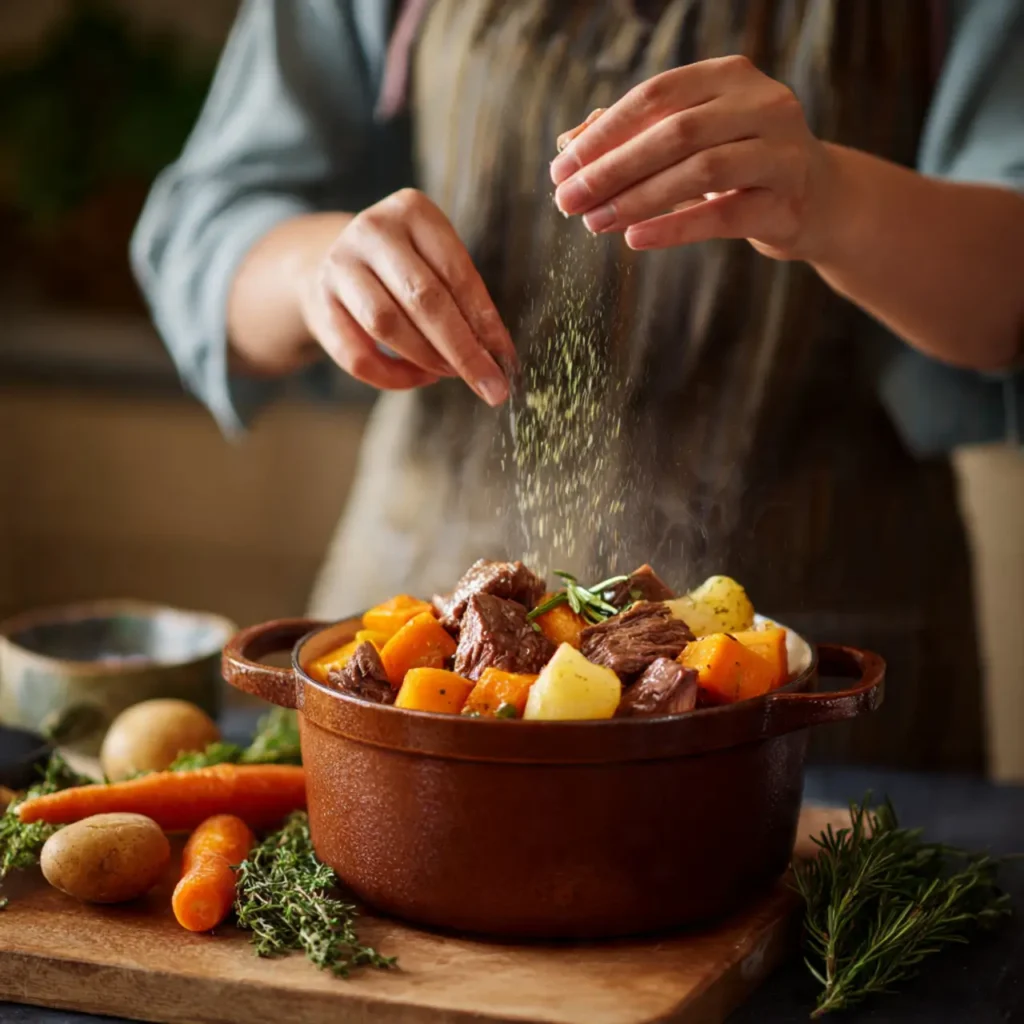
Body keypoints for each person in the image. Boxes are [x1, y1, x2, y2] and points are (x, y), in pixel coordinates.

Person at [132, 0, 1024, 771]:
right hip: (422, 672)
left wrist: (831, 197)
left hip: (818, 695)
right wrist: (314, 271)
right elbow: (205, 229)